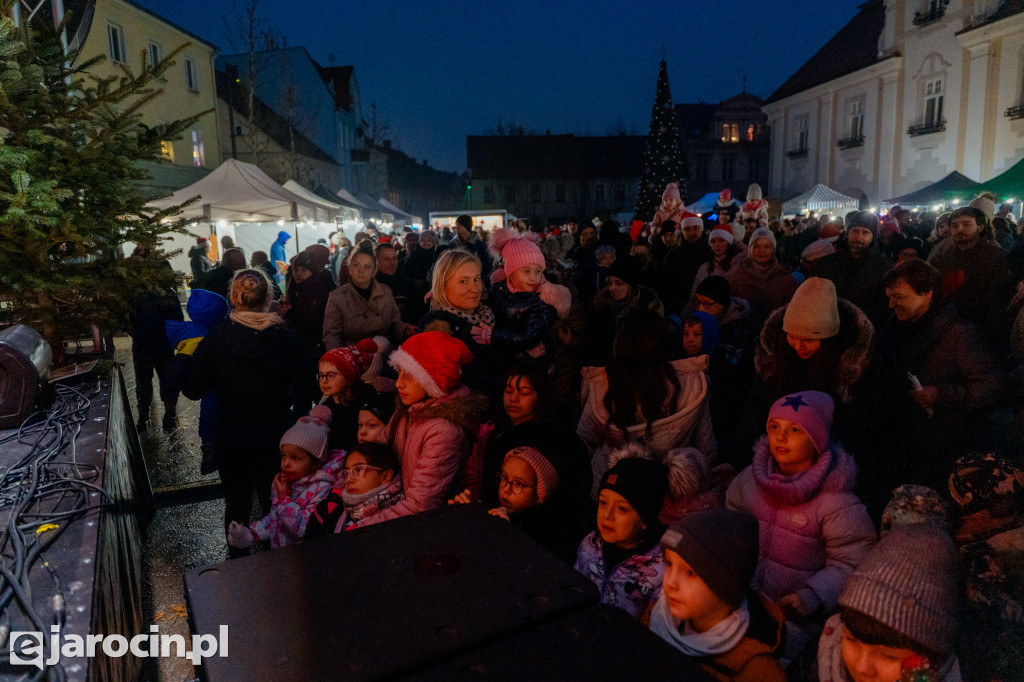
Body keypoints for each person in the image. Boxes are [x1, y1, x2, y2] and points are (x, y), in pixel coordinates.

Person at [726, 391, 876, 659]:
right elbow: (731, 520)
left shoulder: (836, 502)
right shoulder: (750, 480)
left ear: (816, 440)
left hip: (794, 622)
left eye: (795, 430)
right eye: (774, 427)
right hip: (742, 602)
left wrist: (812, 596)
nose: (780, 438)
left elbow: (853, 561)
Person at [183, 269, 299, 558]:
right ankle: (280, 562)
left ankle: (238, 568)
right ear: (269, 298)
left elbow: (193, 389)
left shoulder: (216, 340)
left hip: (232, 438)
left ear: (233, 298)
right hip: (276, 436)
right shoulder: (287, 341)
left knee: (237, 505)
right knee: (276, 501)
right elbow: (301, 387)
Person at [876, 259, 1002, 492]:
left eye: (900, 297)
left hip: (944, 447)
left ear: (927, 294)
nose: (891, 304)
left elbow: (990, 385)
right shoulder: (891, 329)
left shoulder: (961, 334)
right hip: (902, 444)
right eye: (889, 297)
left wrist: (941, 394)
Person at [731, 278, 876, 470]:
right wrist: (736, 460)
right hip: (774, 460)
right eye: (792, 336)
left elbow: (858, 425)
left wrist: (823, 465)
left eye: (809, 339)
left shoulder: (854, 365)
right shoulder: (774, 356)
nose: (798, 346)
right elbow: (755, 409)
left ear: (828, 339)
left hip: (829, 464)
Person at [578, 309, 716, 498]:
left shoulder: (605, 383)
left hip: (610, 488)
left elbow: (584, 442)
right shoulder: (692, 384)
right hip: (668, 488)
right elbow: (705, 448)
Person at [355, 332, 486, 526]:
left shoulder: (444, 432)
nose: (398, 383)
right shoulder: (408, 411)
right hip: (399, 513)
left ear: (433, 380)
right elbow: (377, 453)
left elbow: (419, 505)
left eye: (409, 376)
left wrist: (359, 528)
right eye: (398, 373)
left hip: (430, 526)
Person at [647, 509, 786, 681]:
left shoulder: (757, 671)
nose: (669, 583)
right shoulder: (652, 617)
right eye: (669, 563)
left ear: (724, 586)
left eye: (690, 573)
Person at [816, 526, 961, 682]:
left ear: (933, 656)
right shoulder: (822, 653)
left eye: (888, 655)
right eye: (851, 639)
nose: (861, 667)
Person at [226, 406, 345, 550]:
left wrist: (284, 499)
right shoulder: (285, 481)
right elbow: (276, 519)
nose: (286, 463)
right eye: (284, 455)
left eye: (295, 458)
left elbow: (303, 529)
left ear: (316, 463)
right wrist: (252, 533)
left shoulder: (323, 489)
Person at [452, 441, 589, 563]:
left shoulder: (552, 535)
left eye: (518, 483)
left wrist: (508, 534)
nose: (506, 489)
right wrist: (462, 518)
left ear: (538, 495)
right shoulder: (490, 507)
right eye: (504, 477)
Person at [574, 445, 670, 619]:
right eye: (603, 502)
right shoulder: (590, 544)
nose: (607, 515)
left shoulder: (661, 569)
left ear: (645, 519)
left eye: (622, 509)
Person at [475, 227, 571, 368]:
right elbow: (479, 298)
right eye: (526, 271)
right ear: (511, 272)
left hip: (533, 366)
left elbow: (528, 336)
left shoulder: (541, 299)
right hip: (508, 359)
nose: (533, 277)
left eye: (538, 271)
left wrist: (494, 335)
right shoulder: (500, 289)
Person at [164, 288, 229, 474]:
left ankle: (208, 444)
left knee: (209, 410)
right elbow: (177, 369)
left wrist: (170, 398)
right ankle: (209, 445)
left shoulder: (190, 334)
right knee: (211, 405)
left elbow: (175, 370)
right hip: (213, 383)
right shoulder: (207, 335)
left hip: (206, 382)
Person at [927, 205, 1013, 338]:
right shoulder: (941, 255)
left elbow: (999, 298)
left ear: (980, 226)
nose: (960, 229)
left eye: (966, 224)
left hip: (982, 328)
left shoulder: (997, 256)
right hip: (945, 324)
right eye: (955, 226)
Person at [418, 250, 495, 394]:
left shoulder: (489, 313)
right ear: (443, 285)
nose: (474, 289)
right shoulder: (438, 327)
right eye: (463, 281)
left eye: (477, 279)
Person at [128, 250, 183, 432]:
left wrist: (131, 329)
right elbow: (178, 320)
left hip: (143, 344)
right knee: (167, 380)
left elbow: (127, 317)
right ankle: (169, 414)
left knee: (143, 381)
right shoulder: (169, 294)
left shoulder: (136, 294)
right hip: (163, 344)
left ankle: (143, 416)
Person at [322, 241, 413, 350]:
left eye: (367, 267)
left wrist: (404, 328)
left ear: (374, 271)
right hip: (353, 357)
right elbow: (331, 335)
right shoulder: (337, 298)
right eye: (356, 265)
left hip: (382, 353)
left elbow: (395, 321)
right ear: (349, 268)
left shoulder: (385, 292)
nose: (361, 270)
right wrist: (340, 359)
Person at [303, 442, 404, 539]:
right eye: (346, 473)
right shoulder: (330, 511)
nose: (349, 480)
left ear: (385, 476)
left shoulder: (400, 518)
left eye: (358, 470)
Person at [282, 250, 335, 415]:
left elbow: (309, 323)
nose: (298, 273)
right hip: (305, 346)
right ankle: (324, 410)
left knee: (303, 385)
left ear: (312, 271)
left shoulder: (314, 291)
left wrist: (289, 314)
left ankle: (304, 418)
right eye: (296, 269)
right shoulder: (299, 289)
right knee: (305, 384)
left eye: (304, 270)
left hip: (312, 346)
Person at [818, 210, 892, 322]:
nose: (859, 237)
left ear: (873, 236)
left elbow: (885, 305)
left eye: (865, 232)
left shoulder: (884, 267)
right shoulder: (827, 263)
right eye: (855, 231)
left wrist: (858, 320)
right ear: (848, 232)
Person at [728, 227, 797, 332]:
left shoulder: (785, 277)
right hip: (745, 334)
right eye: (756, 246)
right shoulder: (738, 276)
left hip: (776, 333)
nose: (762, 251)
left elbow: (791, 309)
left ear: (773, 249)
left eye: (767, 246)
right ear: (751, 249)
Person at [317, 339, 379, 451]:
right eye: (321, 375)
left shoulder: (363, 403)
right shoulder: (327, 405)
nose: (324, 381)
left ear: (349, 377)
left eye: (331, 375)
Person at [659, 215, 710, 316]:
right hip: (679, 308)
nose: (692, 233)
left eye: (696, 228)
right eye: (687, 229)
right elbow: (665, 284)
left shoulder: (711, 252)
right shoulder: (673, 255)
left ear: (701, 229)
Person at [689, 225, 744, 302]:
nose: (717, 245)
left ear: (728, 242)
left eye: (721, 240)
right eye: (713, 241)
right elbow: (694, 297)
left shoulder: (739, 265)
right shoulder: (705, 268)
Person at [374, 241, 417, 323]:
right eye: (386, 259)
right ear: (376, 261)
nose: (392, 263)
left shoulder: (407, 284)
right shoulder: (370, 285)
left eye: (394, 258)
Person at [453, 214, 492, 279]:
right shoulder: (454, 244)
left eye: (459, 226)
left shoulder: (479, 245)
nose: (456, 228)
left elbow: (487, 264)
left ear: (466, 226)